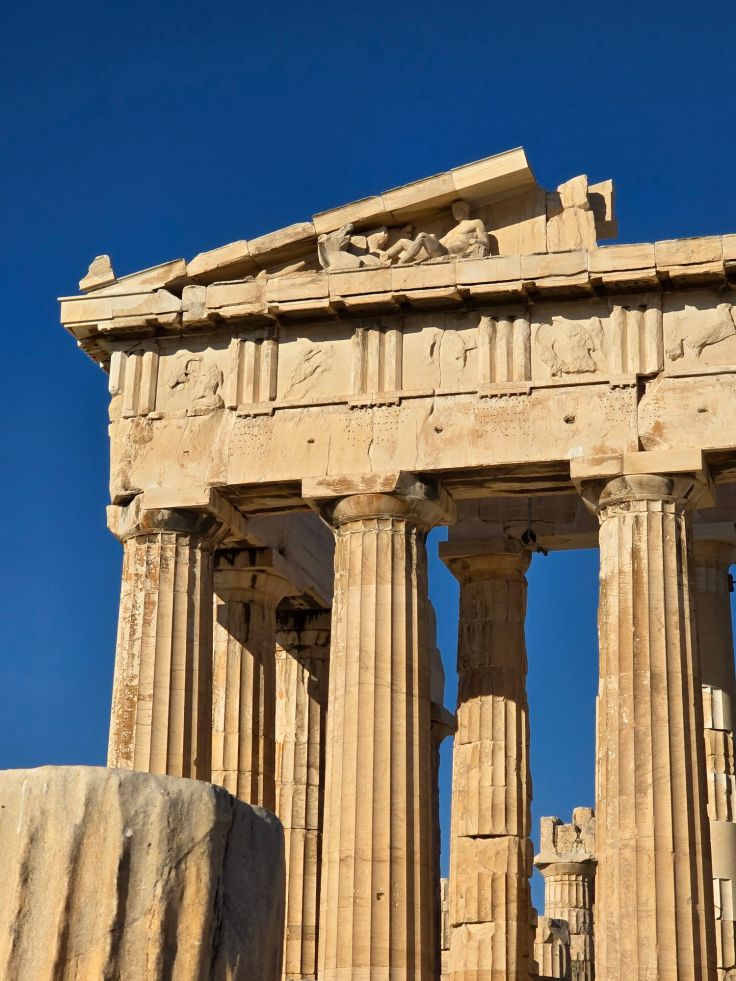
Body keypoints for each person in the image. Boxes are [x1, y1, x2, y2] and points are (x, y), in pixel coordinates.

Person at [384, 200, 490, 264]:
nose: (455, 213)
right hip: (438, 250)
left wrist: (474, 241)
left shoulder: (475, 223)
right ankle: (382, 258)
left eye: (457, 209)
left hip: (446, 252)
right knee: (403, 241)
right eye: (453, 210)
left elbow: (486, 242)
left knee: (422, 236)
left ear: (465, 210)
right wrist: (433, 239)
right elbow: (441, 242)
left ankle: (401, 264)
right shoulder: (453, 230)